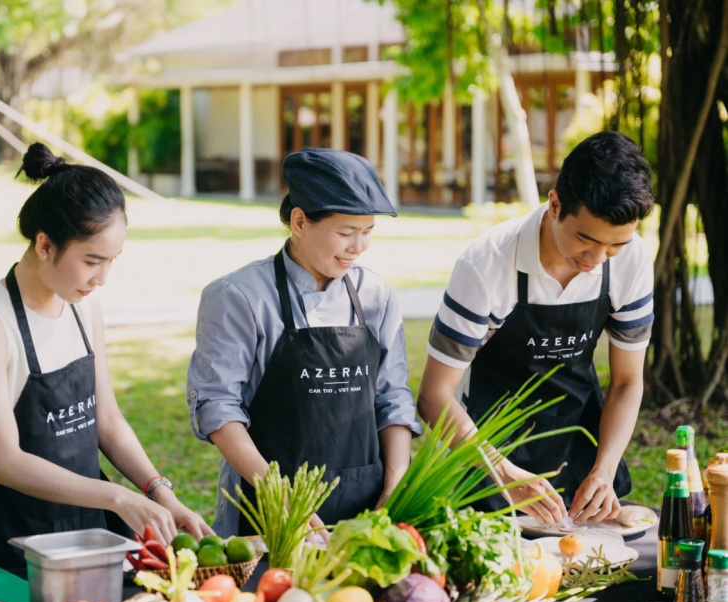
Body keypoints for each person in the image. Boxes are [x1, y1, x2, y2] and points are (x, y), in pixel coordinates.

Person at [0, 143, 212, 572]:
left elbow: (107, 420)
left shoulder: (84, 307)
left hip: (86, 521)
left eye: (111, 261)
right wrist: (118, 497)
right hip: (3, 526)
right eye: (92, 261)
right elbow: (3, 461)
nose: (102, 278)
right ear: (45, 246)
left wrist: (161, 492)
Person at [418, 131, 654, 525]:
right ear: (555, 203)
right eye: (585, 239)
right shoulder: (488, 263)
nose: (596, 259)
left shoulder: (632, 261)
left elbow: (628, 382)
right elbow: (433, 395)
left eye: (614, 246)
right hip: (484, 445)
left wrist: (604, 470)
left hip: (579, 438)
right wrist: (504, 474)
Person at [186, 148, 422, 538]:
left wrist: (397, 480)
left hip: (366, 508)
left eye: (367, 233)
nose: (358, 247)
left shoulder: (376, 295)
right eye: (346, 233)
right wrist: (278, 493)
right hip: (265, 508)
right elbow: (216, 406)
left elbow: (392, 397)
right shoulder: (238, 296)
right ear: (299, 221)